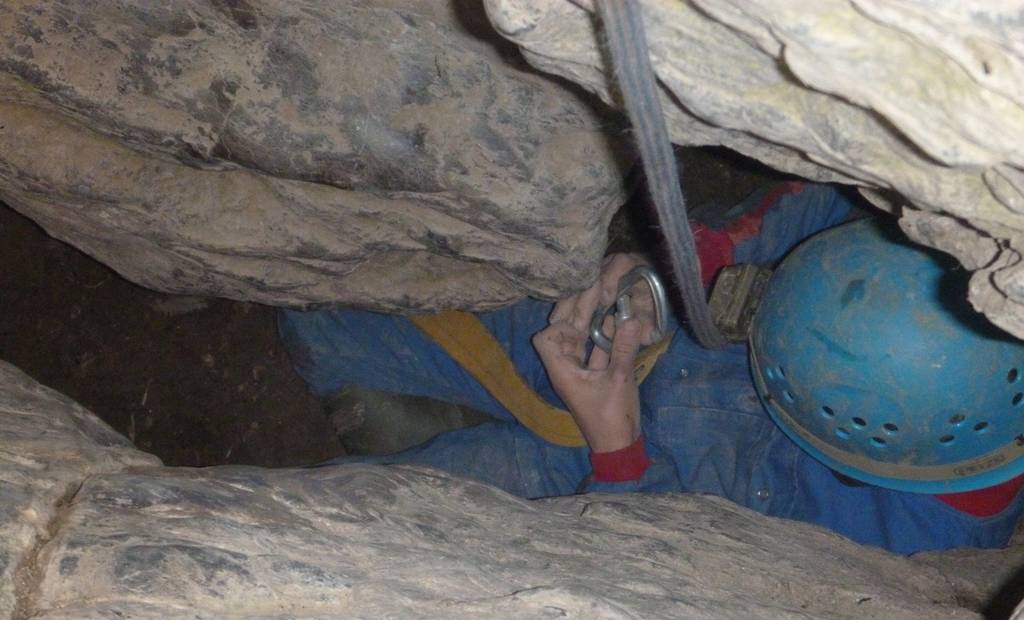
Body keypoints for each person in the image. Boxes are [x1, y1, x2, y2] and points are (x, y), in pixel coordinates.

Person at [279, 182, 1024, 555]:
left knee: (371, 520)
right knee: (319, 330)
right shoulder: (967, 240)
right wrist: (693, 262)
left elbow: (698, 571)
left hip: (629, 479)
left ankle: (415, 429)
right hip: (649, 342)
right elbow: (829, 198)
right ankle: (389, 396)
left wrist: (618, 454)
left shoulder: (921, 539)